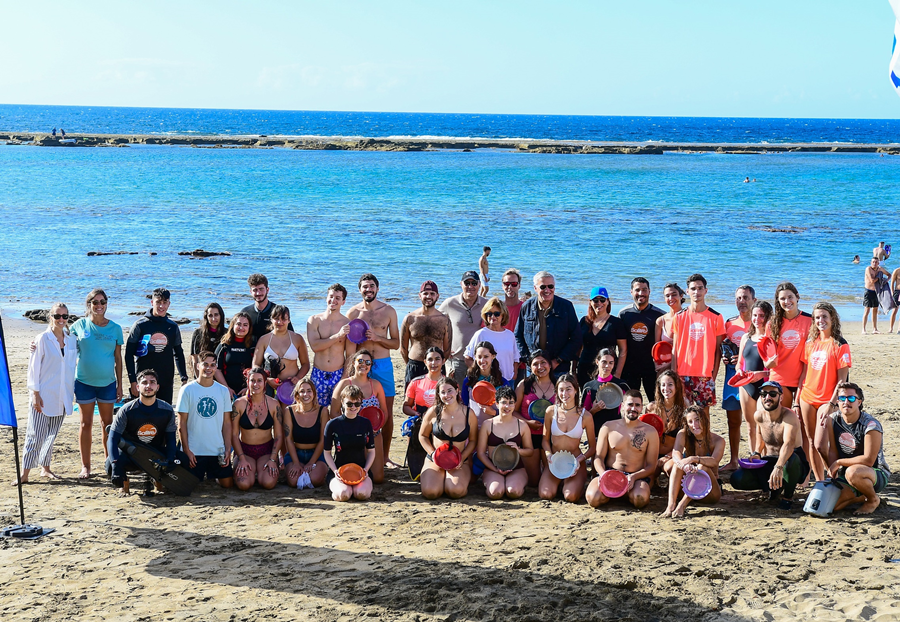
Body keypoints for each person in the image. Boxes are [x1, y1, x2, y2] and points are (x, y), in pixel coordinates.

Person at [12, 303, 76, 485]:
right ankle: (24, 474)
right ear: (50, 317)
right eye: (57, 316)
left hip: (63, 395)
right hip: (44, 394)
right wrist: (35, 394)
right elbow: (33, 368)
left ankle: (45, 469)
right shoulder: (41, 339)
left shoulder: (72, 340)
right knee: (35, 435)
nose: (61, 319)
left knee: (51, 434)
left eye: (65, 316)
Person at [69, 289, 124, 479]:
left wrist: (119, 385)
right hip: (83, 382)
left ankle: (110, 463)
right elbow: (60, 338)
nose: (99, 306)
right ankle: (86, 466)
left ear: (106, 304)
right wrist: (36, 344)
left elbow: (118, 358)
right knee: (85, 423)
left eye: (102, 302)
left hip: (107, 383)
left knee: (107, 424)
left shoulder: (115, 328)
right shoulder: (79, 325)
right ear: (89, 304)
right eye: (95, 302)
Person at [347, 273, 400, 467]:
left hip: (383, 364)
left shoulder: (389, 311)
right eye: (365, 286)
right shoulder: (353, 313)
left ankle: (385, 456)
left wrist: (378, 338)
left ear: (377, 288)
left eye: (371, 286)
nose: (368, 290)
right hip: (361, 364)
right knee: (358, 408)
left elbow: (396, 343)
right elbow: (350, 347)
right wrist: (350, 371)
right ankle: (360, 453)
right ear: (359, 289)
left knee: (386, 411)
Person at [730, 381, 809, 510]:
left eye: (772, 394)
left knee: (791, 460)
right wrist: (756, 453)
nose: (768, 397)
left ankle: (787, 497)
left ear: (781, 397)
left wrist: (778, 467)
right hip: (770, 460)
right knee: (737, 478)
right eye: (764, 394)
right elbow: (760, 438)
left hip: (792, 462)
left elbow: (789, 444)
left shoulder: (789, 416)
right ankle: (774, 488)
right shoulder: (759, 415)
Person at [815, 382, 890, 515]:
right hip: (847, 474)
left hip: (874, 473)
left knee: (853, 472)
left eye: (851, 398)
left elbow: (868, 460)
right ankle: (860, 496)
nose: (846, 402)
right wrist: (833, 475)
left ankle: (872, 499)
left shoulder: (871, 424)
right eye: (842, 398)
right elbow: (833, 450)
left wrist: (838, 463)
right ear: (838, 402)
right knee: (830, 505)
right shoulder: (833, 419)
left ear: (859, 402)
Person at [797, 303, 851, 482]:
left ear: (832, 318)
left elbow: (842, 381)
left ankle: (833, 476)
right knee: (811, 443)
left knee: (821, 445)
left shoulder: (840, 344)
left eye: (824, 316)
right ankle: (820, 483)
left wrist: (832, 403)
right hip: (807, 397)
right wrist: (797, 401)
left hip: (827, 400)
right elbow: (804, 374)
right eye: (817, 317)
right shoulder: (810, 343)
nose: (821, 320)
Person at [106, 370, 177, 496]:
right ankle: (125, 482)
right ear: (138, 387)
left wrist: (170, 459)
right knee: (110, 465)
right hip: (132, 453)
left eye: (152, 382)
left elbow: (171, 439)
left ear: (158, 387)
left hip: (156, 454)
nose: (148, 386)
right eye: (144, 382)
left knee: (182, 461)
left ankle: (157, 479)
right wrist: (115, 464)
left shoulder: (167, 410)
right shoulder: (126, 410)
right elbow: (112, 438)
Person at [586, 390, 658, 509]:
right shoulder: (608, 426)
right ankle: (613, 493)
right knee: (593, 498)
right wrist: (603, 475)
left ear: (641, 407)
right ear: (622, 405)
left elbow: (651, 466)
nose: (633, 408)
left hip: (635, 478)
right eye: (630, 404)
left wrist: (633, 477)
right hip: (610, 473)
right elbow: (599, 458)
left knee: (640, 499)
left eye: (637, 405)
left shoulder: (650, 432)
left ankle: (624, 494)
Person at [176, 351, 234, 488]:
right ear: (198, 366)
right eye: (205, 364)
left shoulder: (223, 391)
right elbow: (181, 423)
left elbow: (227, 423)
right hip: (194, 451)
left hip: (217, 450)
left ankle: (214, 475)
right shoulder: (187, 390)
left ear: (216, 367)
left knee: (227, 484)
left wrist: (227, 449)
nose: (209, 368)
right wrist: (187, 450)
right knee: (190, 486)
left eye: (212, 365)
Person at [671, 274, 725, 415]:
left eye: (700, 288)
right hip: (682, 374)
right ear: (687, 291)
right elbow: (675, 348)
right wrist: (674, 374)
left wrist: (714, 375)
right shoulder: (679, 316)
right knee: (684, 414)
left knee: (703, 415)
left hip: (705, 375)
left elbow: (718, 350)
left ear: (706, 291)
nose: (697, 292)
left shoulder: (716, 317)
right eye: (693, 289)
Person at [330, 349, 387, 483]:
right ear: (353, 363)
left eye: (368, 362)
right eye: (360, 361)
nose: (364, 364)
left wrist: (376, 428)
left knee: (378, 478)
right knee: (352, 475)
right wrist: (347, 430)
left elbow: (384, 412)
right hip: (351, 435)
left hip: (373, 433)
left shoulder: (376, 385)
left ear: (371, 365)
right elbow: (334, 412)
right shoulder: (344, 384)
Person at [418, 377, 479, 499]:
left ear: (457, 390)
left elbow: (473, 441)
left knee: (455, 491)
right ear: (438, 395)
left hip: (459, 461)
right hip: (435, 460)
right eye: (443, 392)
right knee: (431, 492)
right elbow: (422, 436)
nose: (447, 395)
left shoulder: (469, 413)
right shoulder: (433, 412)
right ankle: (438, 480)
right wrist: (432, 454)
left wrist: (463, 458)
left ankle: (449, 481)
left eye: (450, 390)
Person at [125, 287, 188, 405]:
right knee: (141, 413)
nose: (161, 306)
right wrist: (133, 381)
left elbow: (178, 353)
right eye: (158, 302)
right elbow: (128, 354)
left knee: (164, 412)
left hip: (165, 379)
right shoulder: (140, 325)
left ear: (169, 304)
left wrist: (183, 378)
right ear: (152, 302)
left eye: (165, 302)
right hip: (144, 380)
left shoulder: (172, 327)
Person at [539, 374, 596, 502]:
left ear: (576, 390)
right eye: (561, 390)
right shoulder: (550, 411)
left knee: (570, 496)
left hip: (575, 462)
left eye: (568, 389)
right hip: (555, 463)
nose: (564, 394)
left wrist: (579, 460)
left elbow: (592, 447)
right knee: (545, 494)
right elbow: (545, 440)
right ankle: (560, 483)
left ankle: (574, 484)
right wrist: (548, 455)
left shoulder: (585, 416)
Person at [514, 271, 581, 380]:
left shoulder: (566, 307)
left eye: (550, 286)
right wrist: (530, 359)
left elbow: (576, 338)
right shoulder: (526, 307)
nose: (547, 290)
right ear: (535, 288)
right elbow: (518, 336)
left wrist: (557, 361)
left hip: (559, 368)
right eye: (543, 287)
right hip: (533, 369)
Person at [661, 405, 725, 518]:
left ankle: (682, 505)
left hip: (709, 492)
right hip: (687, 486)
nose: (694, 425)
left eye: (697, 420)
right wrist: (682, 464)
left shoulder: (718, 440)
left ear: (704, 420)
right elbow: (676, 452)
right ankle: (671, 505)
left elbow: (714, 461)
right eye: (690, 422)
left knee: (701, 467)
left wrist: (693, 459)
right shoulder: (683, 434)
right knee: (676, 465)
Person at [721, 285, 756, 470]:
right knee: (733, 421)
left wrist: (743, 358)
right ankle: (734, 461)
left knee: (756, 421)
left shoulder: (761, 323)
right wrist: (725, 357)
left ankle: (756, 457)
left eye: (745, 298)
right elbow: (723, 347)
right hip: (732, 377)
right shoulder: (729, 323)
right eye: (738, 298)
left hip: (752, 377)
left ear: (754, 301)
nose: (742, 302)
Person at [230, 367, 283, 490]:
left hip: (266, 451)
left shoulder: (274, 404)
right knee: (244, 484)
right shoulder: (239, 404)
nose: (255, 384)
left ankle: (260, 471)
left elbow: (279, 435)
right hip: (245, 451)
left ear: (265, 383)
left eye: (259, 381)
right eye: (252, 381)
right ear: (247, 382)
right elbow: (234, 435)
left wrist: (273, 459)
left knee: (268, 483)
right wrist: (241, 458)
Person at [476, 386, 533, 499]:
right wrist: (495, 469)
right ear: (497, 404)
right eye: (504, 403)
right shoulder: (488, 424)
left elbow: (530, 451)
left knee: (513, 491)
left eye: (511, 403)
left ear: (515, 404)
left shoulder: (522, 425)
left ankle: (515, 482)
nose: (507, 406)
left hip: (516, 468)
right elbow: (481, 453)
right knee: (495, 492)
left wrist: (518, 450)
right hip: (493, 467)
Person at [323, 384, 377, 501]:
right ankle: (341, 488)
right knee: (344, 494)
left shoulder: (365, 423)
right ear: (342, 402)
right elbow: (327, 452)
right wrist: (335, 471)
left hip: (361, 471)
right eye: (349, 404)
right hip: (339, 471)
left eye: (357, 404)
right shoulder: (332, 424)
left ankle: (356, 488)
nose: (353, 407)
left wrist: (366, 469)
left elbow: (371, 451)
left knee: (361, 494)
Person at [735, 300, 775, 453]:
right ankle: (754, 457)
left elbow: (777, 369)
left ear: (768, 317)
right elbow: (740, 363)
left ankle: (765, 458)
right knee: (750, 426)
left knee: (764, 426)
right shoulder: (746, 337)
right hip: (746, 385)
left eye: (762, 316)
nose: (757, 319)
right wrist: (739, 372)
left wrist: (762, 374)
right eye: (755, 315)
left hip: (765, 386)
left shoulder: (772, 339)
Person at [618, 277, 665, 401]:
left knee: (656, 402)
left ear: (649, 291)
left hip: (651, 368)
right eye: (637, 290)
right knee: (630, 402)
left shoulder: (659, 315)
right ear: (631, 292)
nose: (641, 293)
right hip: (629, 367)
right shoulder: (624, 314)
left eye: (644, 290)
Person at [306, 284, 352, 407]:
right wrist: (338, 336)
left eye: (337, 298)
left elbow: (350, 355)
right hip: (318, 373)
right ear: (326, 298)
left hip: (338, 374)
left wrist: (344, 378)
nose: (333, 300)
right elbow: (315, 347)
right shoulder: (314, 320)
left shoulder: (348, 324)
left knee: (337, 412)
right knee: (316, 410)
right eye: (331, 296)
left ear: (343, 302)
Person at [769, 282, 813, 411]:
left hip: (805, 378)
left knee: (801, 419)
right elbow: (766, 350)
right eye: (782, 298)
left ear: (797, 297)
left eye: (790, 297)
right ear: (778, 301)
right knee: (781, 419)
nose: (787, 301)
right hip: (780, 377)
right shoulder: (773, 323)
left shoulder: (810, 320)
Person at [514, 350, 555, 486]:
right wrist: (528, 422)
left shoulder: (559, 385)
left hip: (551, 436)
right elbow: (513, 411)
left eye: (543, 362)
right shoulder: (524, 385)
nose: (540, 367)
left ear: (550, 364)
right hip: (529, 436)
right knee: (534, 482)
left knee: (551, 479)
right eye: (535, 364)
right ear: (530, 367)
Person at [439, 270, 487, 386]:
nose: (470, 286)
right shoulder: (450, 303)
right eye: (467, 283)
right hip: (456, 360)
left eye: (474, 283)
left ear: (479, 284)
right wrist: (442, 347)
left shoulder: (487, 304)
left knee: (479, 393)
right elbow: (435, 324)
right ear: (461, 284)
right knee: (456, 393)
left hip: (480, 361)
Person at [399, 280, 450, 387]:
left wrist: (438, 364)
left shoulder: (444, 320)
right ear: (420, 295)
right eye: (425, 293)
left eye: (432, 293)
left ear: (437, 296)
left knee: (437, 396)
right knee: (411, 396)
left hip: (437, 366)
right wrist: (410, 364)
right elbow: (403, 348)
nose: (428, 296)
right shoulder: (410, 318)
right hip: (415, 365)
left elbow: (447, 350)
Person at [252, 305, 310, 396]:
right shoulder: (264, 340)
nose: (280, 322)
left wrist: (298, 377)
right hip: (269, 385)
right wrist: (266, 379)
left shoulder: (297, 338)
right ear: (271, 319)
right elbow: (255, 364)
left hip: (291, 385)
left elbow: (306, 364)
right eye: (276, 319)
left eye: (283, 319)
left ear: (289, 320)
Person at [281, 378, 329, 488]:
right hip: (296, 453)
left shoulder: (323, 411)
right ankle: (298, 468)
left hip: (316, 454)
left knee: (314, 479)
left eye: (309, 391)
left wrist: (312, 462)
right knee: (293, 481)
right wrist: (296, 463)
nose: (305, 394)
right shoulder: (289, 411)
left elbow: (323, 440)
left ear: (314, 393)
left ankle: (319, 474)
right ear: (297, 394)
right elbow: (288, 439)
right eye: (302, 391)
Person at [576, 286, 627, 388]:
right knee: (587, 396)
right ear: (590, 302)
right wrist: (574, 369)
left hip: (607, 369)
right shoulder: (584, 321)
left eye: (602, 300)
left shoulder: (616, 323)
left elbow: (623, 350)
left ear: (607, 301)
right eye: (595, 300)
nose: (599, 303)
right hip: (584, 368)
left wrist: (617, 374)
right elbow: (578, 347)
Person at [646, 370, 689, 482]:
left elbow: (687, 439)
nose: (666, 388)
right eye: (663, 385)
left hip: (673, 454)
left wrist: (669, 456)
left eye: (670, 384)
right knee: (649, 479)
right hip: (653, 454)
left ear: (676, 386)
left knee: (670, 468)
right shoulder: (652, 408)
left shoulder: (684, 409)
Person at [464, 298, 518, 382]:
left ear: (503, 315)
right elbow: (468, 358)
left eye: (496, 314)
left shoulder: (510, 335)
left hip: (508, 380)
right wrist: (480, 375)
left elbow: (516, 358)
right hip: (487, 381)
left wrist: (514, 374)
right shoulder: (480, 334)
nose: (493, 317)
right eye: (489, 314)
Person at [462, 341, 510, 427]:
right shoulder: (468, 381)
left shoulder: (503, 382)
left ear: (493, 356)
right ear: (475, 357)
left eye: (486, 357)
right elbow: (464, 406)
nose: (482, 360)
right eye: (479, 357)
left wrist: (494, 412)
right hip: (473, 428)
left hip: (496, 428)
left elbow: (509, 409)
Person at [580, 348, 630, 433]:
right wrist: (594, 410)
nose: (607, 366)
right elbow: (582, 418)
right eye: (604, 362)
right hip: (596, 433)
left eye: (611, 363)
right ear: (597, 362)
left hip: (618, 433)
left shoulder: (622, 385)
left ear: (614, 364)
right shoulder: (589, 387)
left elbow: (631, 410)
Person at [214, 312, 255, 398]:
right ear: (233, 325)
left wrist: (248, 388)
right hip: (226, 389)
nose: (241, 328)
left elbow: (258, 369)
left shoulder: (253, 346)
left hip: (247, 390)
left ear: (249, 327)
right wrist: (226, 388)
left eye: (245, 325)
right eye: (238, 324)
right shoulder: (224, 345)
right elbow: (216, 369)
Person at [241, 273, 293, 341]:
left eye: (261, 289)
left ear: (267, 290)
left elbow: (291, 336)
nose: (258, 293)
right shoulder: (246, 312)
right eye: (255, 290)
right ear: (251, 292)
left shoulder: (279, 311)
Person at [403, 347, 444, 417]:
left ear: (443, 361)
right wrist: (416, 413)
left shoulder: (449, 383)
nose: (433, 363)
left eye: (437, 359)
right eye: (430, 359)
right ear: (425, 362)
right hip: (421, 420)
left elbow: (457, 407)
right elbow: (406, 406)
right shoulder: (415, 382)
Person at [190, 303, 226, 378]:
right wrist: (199, 379)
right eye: (210, 315)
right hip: (203, 373)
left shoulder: (227, 333)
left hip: (221, 375)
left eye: (216, 315)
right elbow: (195, 359)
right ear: (206, 317)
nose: (213, 318)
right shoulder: (198, 333)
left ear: (221, 316)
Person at [862, 256, 891, 334]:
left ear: (878, 263)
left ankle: (875, 329)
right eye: (873, 262)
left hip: (876, 292)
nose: (874, 263)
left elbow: (889, 275)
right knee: (867, 310)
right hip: (868, 291)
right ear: (871, 263)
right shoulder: (868, 269)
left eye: (876, 262)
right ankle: (863, 329)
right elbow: (872, 281)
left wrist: (886, 281)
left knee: (875, 310)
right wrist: (879, 277)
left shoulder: (880, 269)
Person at [654, 282, 685, 350]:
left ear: (681, 296)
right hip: (666, 357)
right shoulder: (661, 321)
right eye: (667, 296)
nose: (671, 298)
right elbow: (657, 349)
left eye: (674, 294)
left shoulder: (689, 318)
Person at [889, 266, 900, 333]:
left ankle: (899, 329)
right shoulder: (897, 271)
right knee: (894, 311)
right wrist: (892, 293)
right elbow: (892, 283)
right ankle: (891, 328)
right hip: (897, 292)